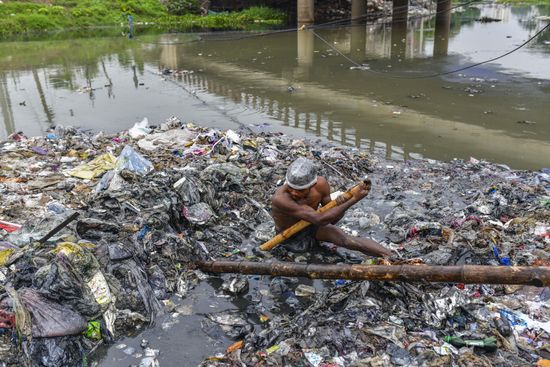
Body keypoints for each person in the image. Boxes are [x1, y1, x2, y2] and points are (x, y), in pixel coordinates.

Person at [271, 157, 392, 257]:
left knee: (348, 241)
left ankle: (392, 257)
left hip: (311, 225)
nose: (294, 193)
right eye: (290, 187)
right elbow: (320, 219)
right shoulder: (281, 198)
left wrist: (341, 203)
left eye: (300, 190)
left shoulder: (321, 185)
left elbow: (332, 219)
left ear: (312, 184)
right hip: (289, 235)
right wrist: (353, 199)